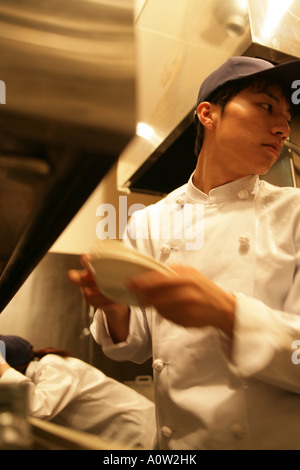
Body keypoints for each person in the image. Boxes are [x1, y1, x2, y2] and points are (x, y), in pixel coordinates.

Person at [68, 56, 300, 450]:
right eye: (266, 106)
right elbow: (137, 344)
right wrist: (113, 306)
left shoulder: (294, 213)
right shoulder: (149, 222)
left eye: (287, 115)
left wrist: (230, 314)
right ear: (208, 114)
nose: (283, 126)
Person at [0, 334, 156, 449]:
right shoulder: (40, 375)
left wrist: (2, 368)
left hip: (144, 434)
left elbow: (36, 409)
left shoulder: (53, 364)